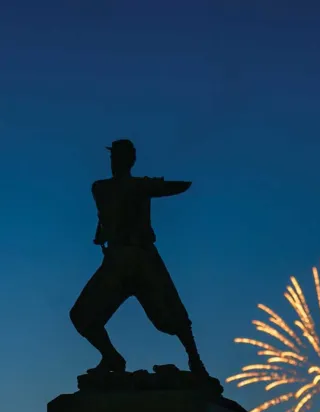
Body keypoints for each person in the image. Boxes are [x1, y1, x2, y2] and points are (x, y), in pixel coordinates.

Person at [69, 139, 214, 383]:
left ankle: (195, 361)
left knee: (173, 314)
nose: (115, 162)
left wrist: (150, 187)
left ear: (130, 160)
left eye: (121, 157)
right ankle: (112, 358)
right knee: (81, 315)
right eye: (114, 157)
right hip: (118, 260)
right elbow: (109, 208)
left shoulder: (136, 186)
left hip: (142, 258)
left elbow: (165, 189)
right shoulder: (103, 187)